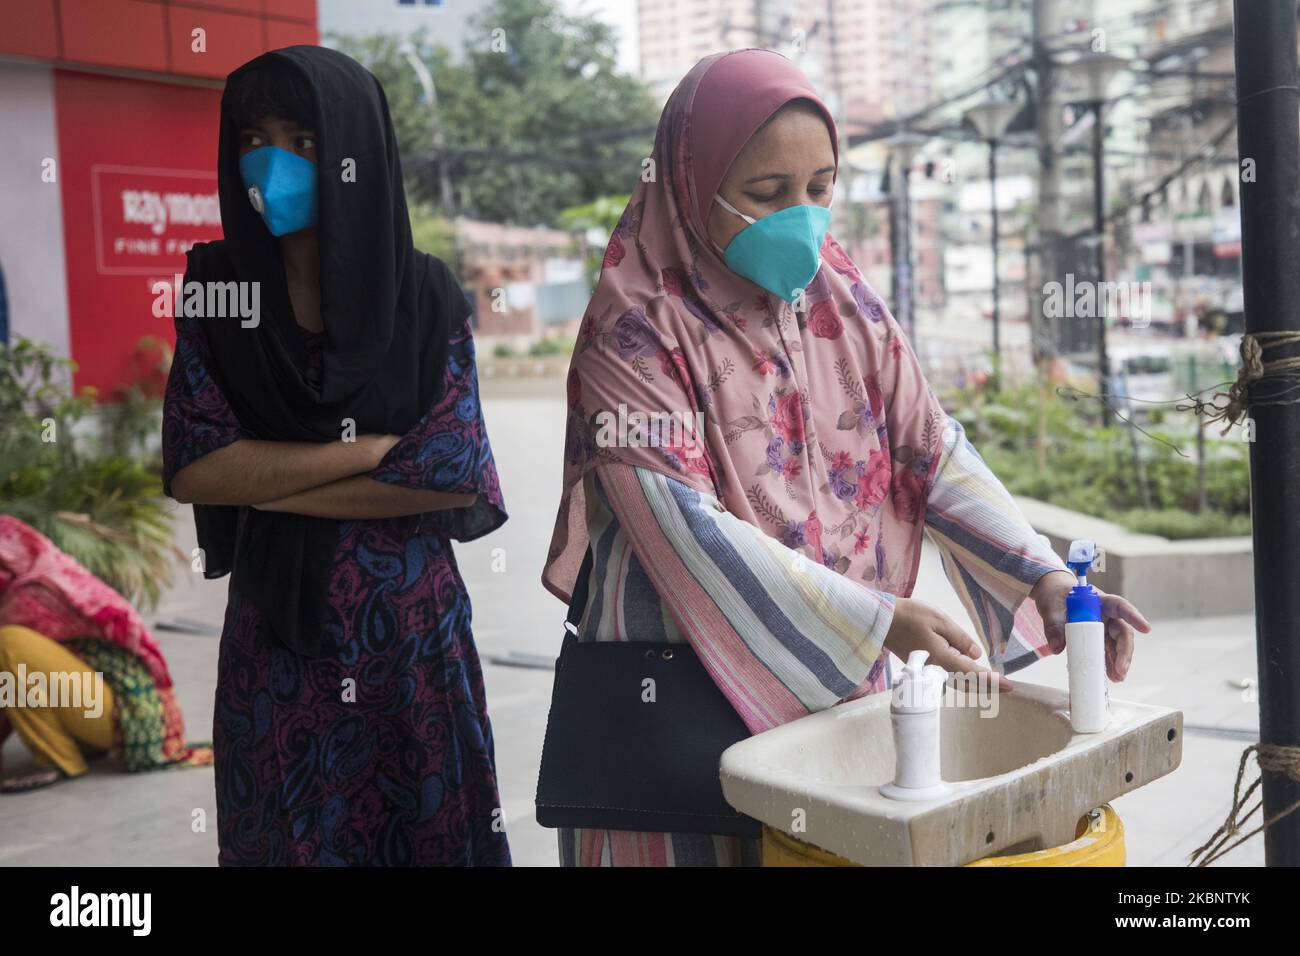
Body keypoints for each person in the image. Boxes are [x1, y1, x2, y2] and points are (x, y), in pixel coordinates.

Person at [541, 48, 1151, 867]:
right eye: (767, 193)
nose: (803, 216)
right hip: (672, 708)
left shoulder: (839, 295)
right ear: (691, 184)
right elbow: (689, 534)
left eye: (820, 189)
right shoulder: (634, 331)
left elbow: (930, 446)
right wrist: (880, 623)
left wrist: (1044, 579)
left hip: (831, 702)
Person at [162, 46, 510, 866]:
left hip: (411, 651)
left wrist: (263, 480)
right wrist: (373, 454)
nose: (270, 162)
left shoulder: (424, 298)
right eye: (254, 137)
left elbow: (449, 474)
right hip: (277, 646)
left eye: (304, 141)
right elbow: (193, 464)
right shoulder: (218, 287)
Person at [0, 515, 213, 793]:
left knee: (9, 641)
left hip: (123, 714)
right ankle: (67, 745)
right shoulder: (22, 579)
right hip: (89, 710)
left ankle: (57, 760)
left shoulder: (36, 589)